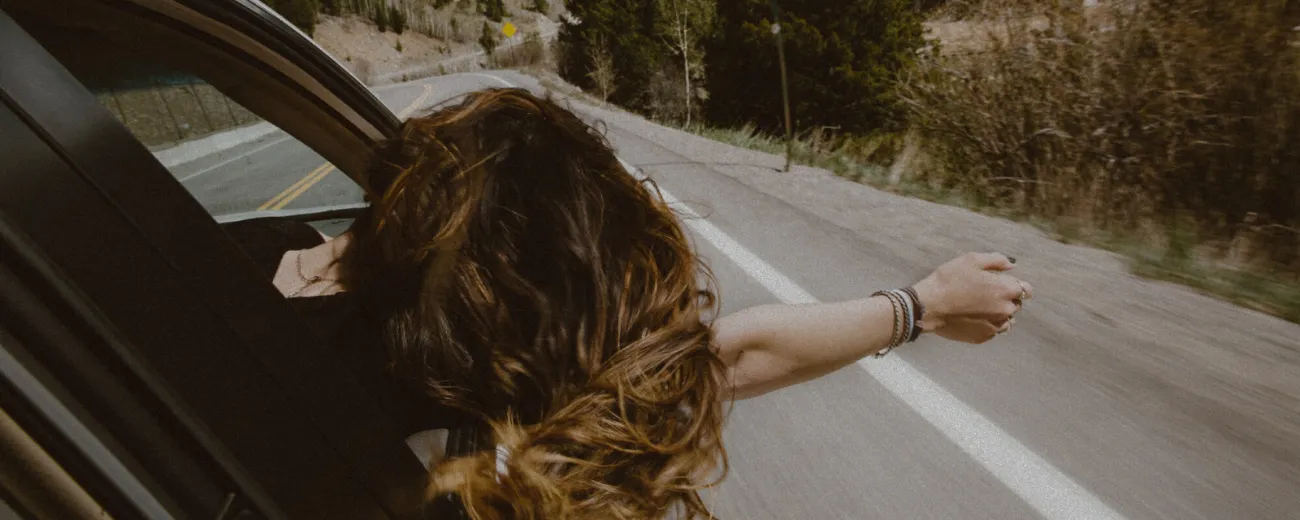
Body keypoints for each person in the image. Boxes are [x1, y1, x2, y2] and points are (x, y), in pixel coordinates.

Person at [222, 88, 1032, 519]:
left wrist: (920, 305)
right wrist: (918, 306)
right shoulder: (417, 368)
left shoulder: (231, 253)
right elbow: (723, 358)